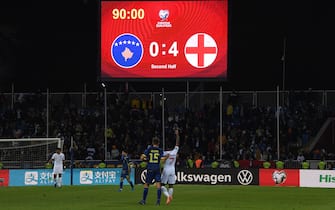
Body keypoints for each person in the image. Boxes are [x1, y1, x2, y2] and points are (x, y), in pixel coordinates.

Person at [139, 137, 167, 206]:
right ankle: (158, 201)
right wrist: (166, 157)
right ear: (158, 143)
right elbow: (163, 160)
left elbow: (142, 157)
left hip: (150, 168)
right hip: (157, 168)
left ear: (152, 143)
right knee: (158, 185)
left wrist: (146, 158)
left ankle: (143, 200)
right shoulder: (160, 150)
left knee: (146, 184)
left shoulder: (149, 149)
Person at [161, 129, 180, 205]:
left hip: (166, 170)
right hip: (173, 169)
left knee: (162, 185)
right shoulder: (174, 151)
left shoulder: (164, 153)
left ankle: (168, 196)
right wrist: (177, 135)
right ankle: (170, 196)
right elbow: (177, 143)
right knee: (171, 185)